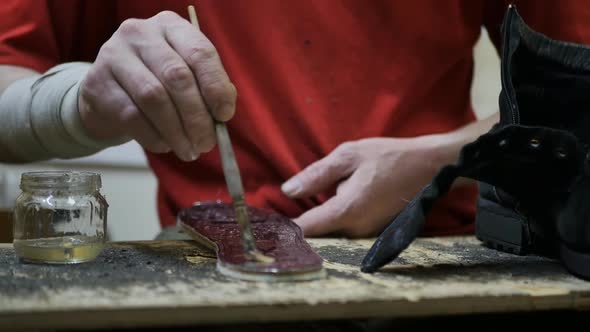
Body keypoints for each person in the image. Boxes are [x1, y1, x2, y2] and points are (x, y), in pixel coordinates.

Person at [0, 0, 588, 239]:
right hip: (213, 267)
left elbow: (578, 88)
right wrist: (77, 104)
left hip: (438, 254)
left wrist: (445, 159)